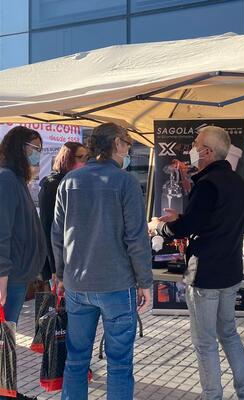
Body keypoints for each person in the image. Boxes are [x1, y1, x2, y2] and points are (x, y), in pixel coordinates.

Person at [148, 126, 244, 400]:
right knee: (229, 334)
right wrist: (181, 220)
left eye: (195, 144)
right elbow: (209, 221)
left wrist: (159, 228)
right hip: (229, 272)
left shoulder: (208, 184)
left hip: (205, 273)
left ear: (207, 151)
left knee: (205, 342)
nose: (191, 149)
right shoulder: (236, 182)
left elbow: (189, 227)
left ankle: (212, 396)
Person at [52, 122, 153, 400]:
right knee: (119, 363)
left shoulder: (69, 181)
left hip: (77, 283)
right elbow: (136, 237)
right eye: (128, 142)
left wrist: (60, 274)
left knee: (75, 359)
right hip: (116, 285)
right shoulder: (125, 182)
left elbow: (58, 236)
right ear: (117, 144)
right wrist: (145, 281)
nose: (130, 147)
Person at [0, 126, 47, 400]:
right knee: (5, 337)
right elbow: (2, 230)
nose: (37, 154)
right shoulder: (6, 179)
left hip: (17, 275)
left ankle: (7, 390)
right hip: (11, 277)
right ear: (20, 147)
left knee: (7, 336)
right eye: (35, 148)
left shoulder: (15, 179)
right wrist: (2, 276)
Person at [39, 142, 88, 284]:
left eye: (87, 157)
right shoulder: (53, 184)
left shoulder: (78, 181)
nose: (85, 161)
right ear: (68, 158)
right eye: (81, 157)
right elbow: (48, 226)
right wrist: (54, 268)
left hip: (75, 258)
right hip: (58, 259)